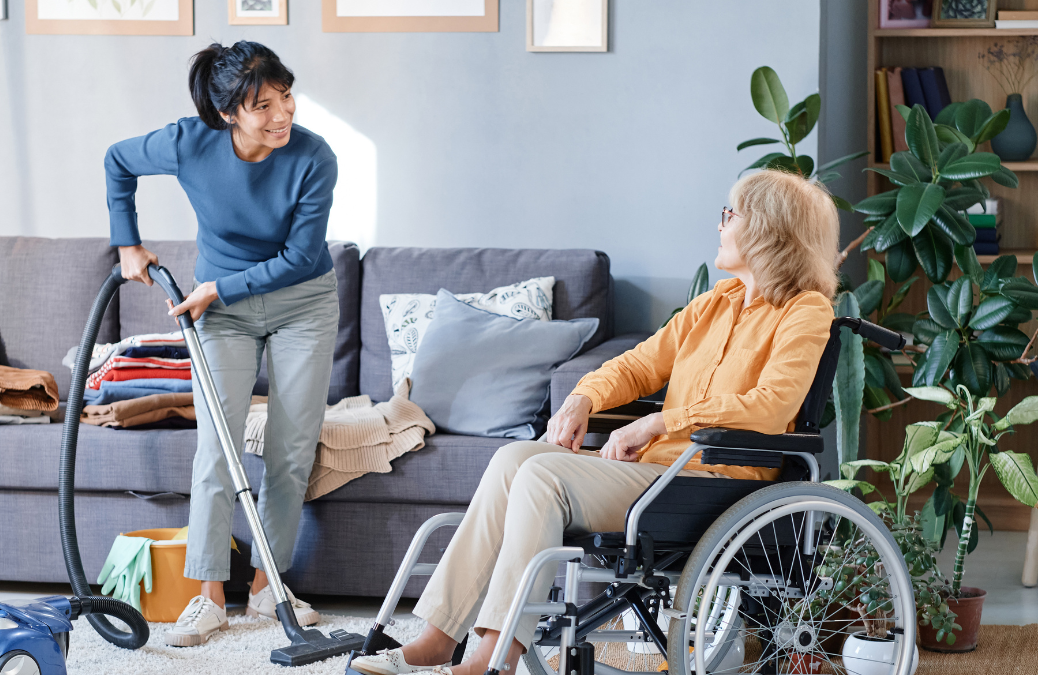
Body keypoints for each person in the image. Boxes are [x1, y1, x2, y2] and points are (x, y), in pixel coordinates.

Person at [350, 169, 839, 675]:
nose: (720, 225)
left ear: (766, 230)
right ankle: (437, 638)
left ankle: (492, 661)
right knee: (512, 457)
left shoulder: (805, 311)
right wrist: (581, 400)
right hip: (661, 477)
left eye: (729, 215)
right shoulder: (716, 303)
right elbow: (637, 365)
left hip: (716, 483)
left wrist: (656, 425)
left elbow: (772, 405)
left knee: (542, 475)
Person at [104, 41, 339, 647]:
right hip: (222, 312)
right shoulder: (189, 142)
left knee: (290, 448)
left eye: (285, 96)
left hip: (301, 303)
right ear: (229, 112)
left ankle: (266, 586)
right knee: (217, 447)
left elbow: (302, 258)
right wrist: (127, 244)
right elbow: (117, 160)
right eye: (263, 105)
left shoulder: (314, 157)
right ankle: (207, 597)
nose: (282, 113)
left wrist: (219, 289)